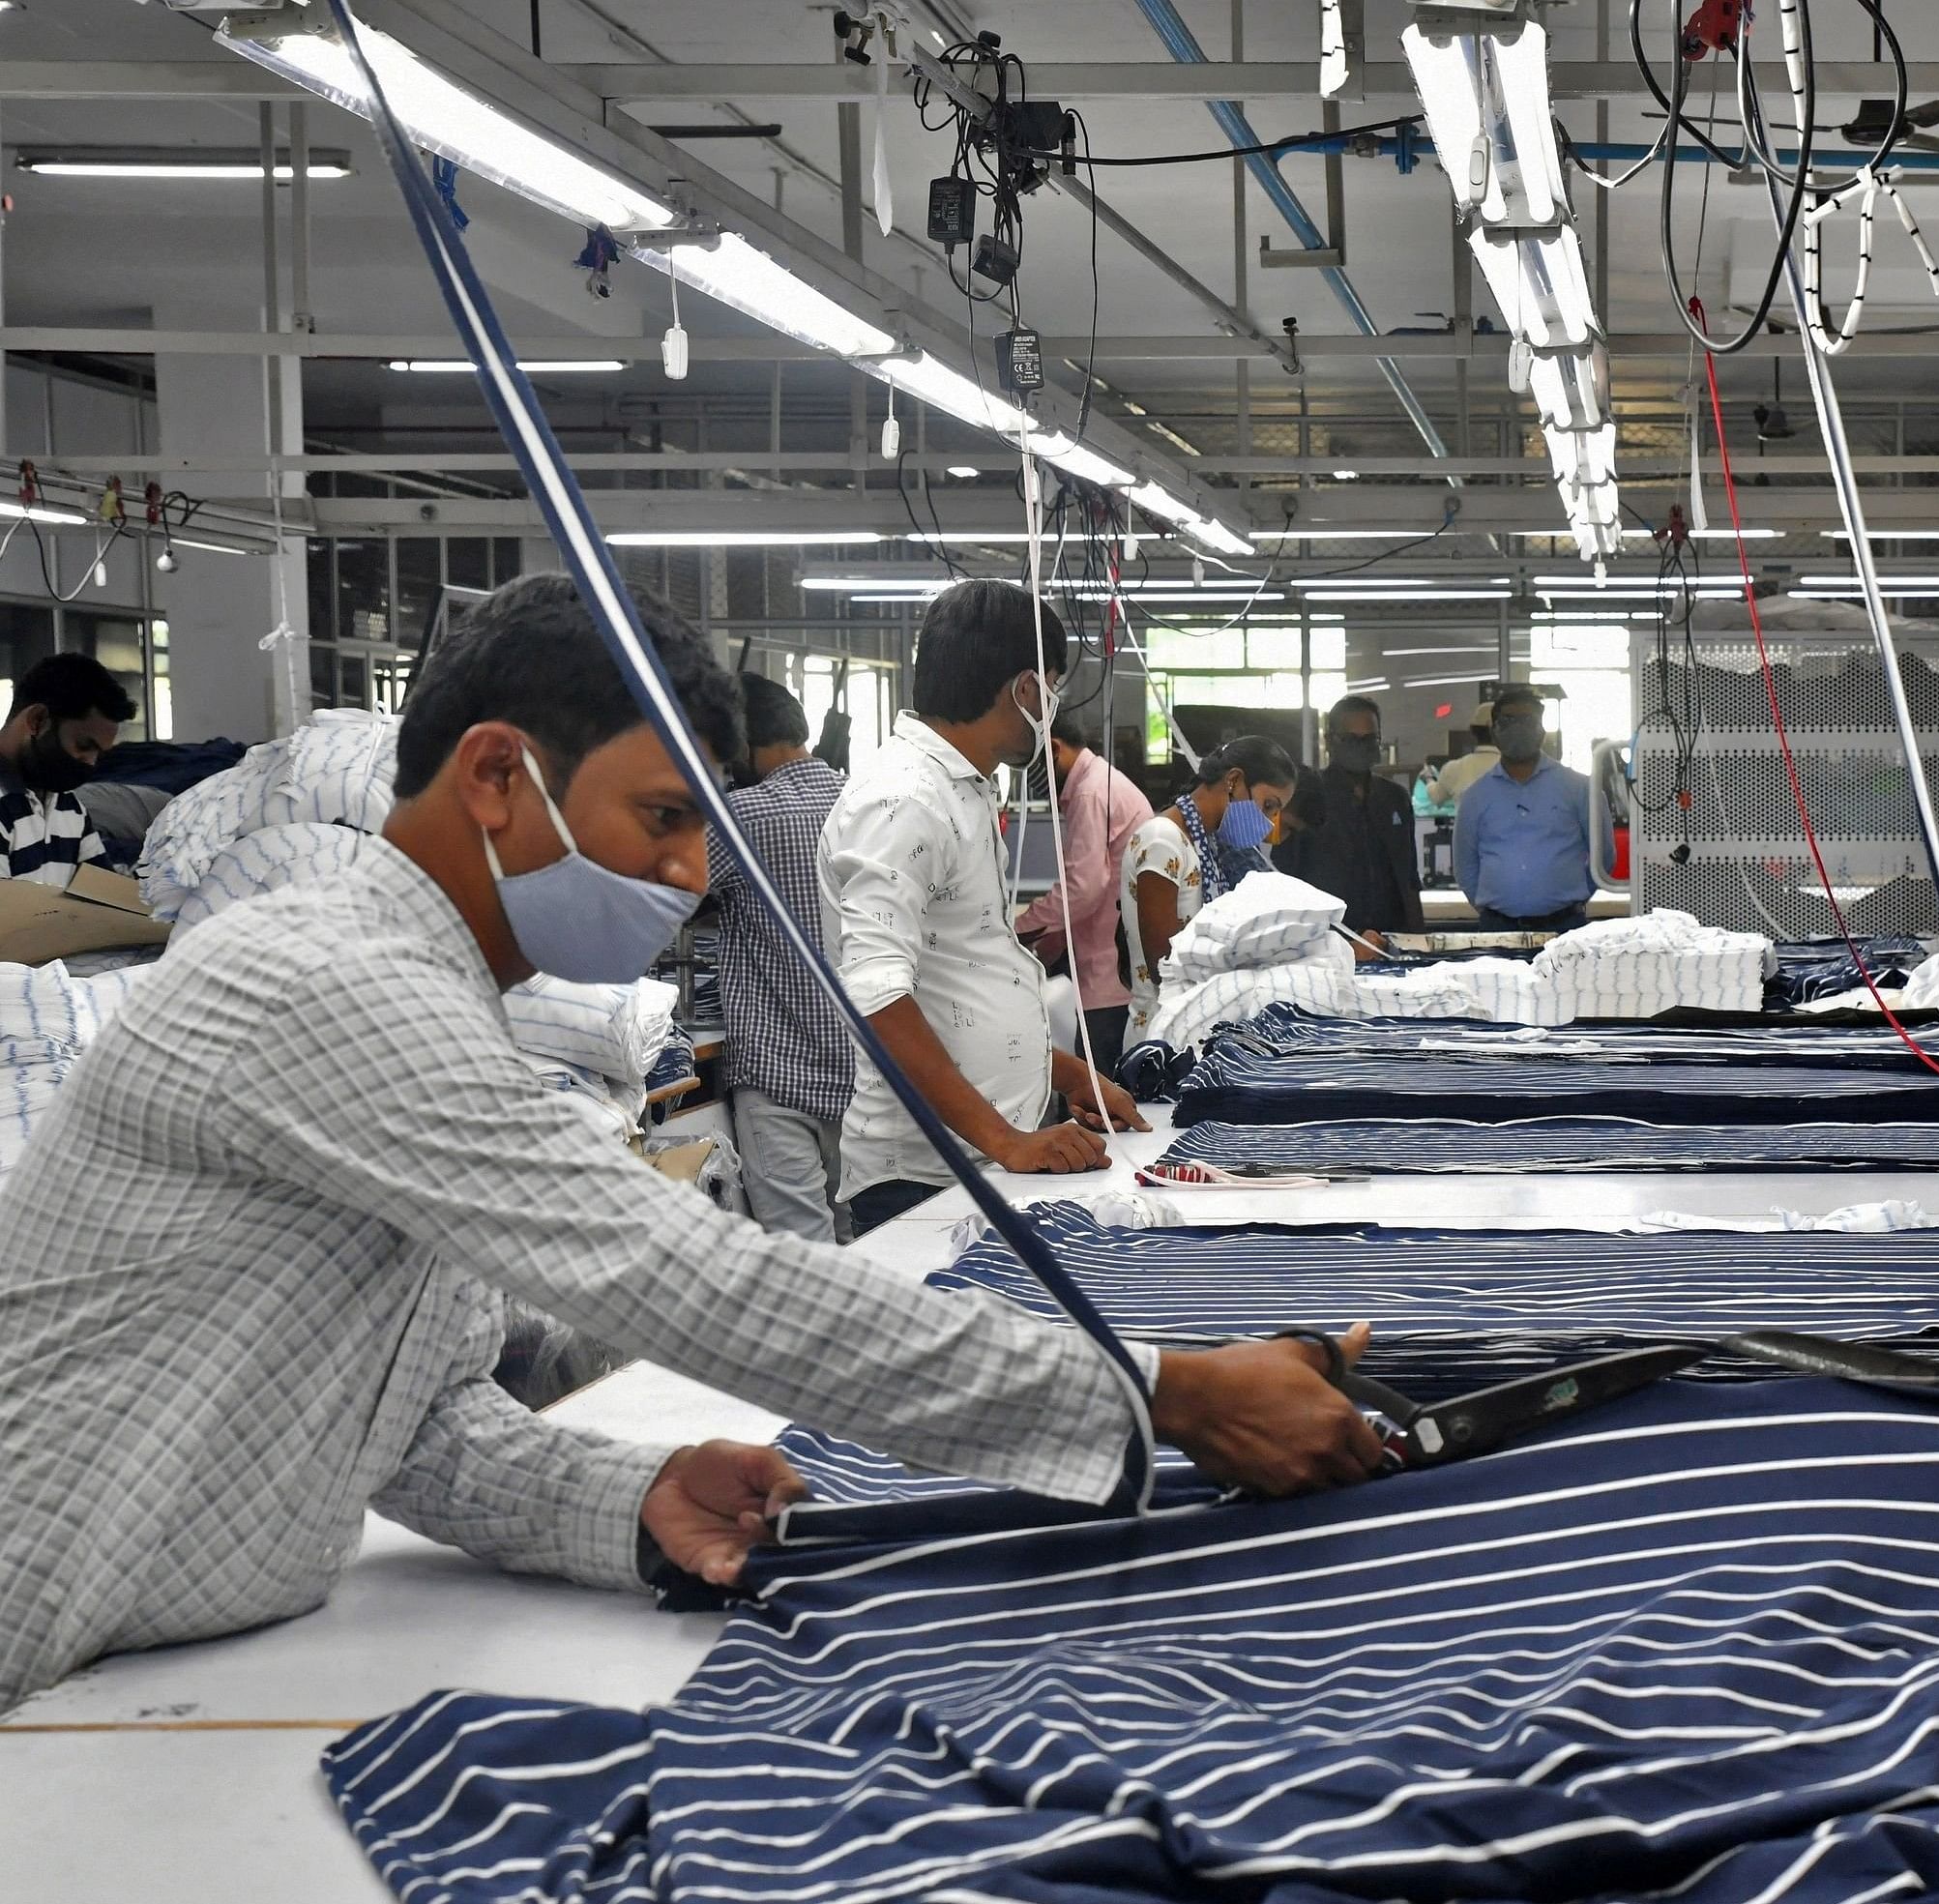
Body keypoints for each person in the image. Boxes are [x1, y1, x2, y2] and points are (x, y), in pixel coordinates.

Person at [0, 573, 1382, 1712]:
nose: (692, 874)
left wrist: (625, 1499)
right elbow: (682, 1273)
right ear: (497, 777)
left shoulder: (444, 1019)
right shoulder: (321, 979)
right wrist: (1163, 1399)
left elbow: (407, 1422)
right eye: (662, 819)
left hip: (147, 1695)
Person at [822, 581, 1141, 1237]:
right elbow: (876, 993)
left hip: (978, 1159)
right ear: (1025, 690)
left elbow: (964, 970)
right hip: (927, 1176)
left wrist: (1067, 1073)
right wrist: (1007, 1141)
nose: (1051, 706)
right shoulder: (903, 797)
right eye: (1050, 687)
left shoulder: (960, 789)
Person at [705, 676, 857, 1240]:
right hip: (867, 1080)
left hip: (778, 1078)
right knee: (869, 1252)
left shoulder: (740, 816)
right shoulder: (866, 801)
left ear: (741, 746)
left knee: (803, 1264)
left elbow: (661, 898)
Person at [1014, 710, 1157, 1075]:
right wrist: (1047, 943)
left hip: (1107, 976)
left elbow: (1083, 889)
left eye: (1029, 763)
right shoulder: (1097, 782)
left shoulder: (1091, 793)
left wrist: (1018, 928)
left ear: (1054, 749)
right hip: (1112, 967)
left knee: (1100, 1091)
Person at [1125, 737, 1298, 1029]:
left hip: (1197, 1022)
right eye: (1268, 806)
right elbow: (1162, 966)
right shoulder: (1162, 839)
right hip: (1163, 1033)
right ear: (1234, 780)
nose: (1268, 823)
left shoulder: (1206, 844)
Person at [1276, 693, 1424, 935]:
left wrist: (1418, 938)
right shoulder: (1307, 795)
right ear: (1330, 740)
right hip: (1327, 936)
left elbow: (1408, 877)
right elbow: (1285, 874)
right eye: (1350, 739)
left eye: (1369, 739)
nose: (1360, 747)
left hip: (1391, 935)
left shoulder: (1394, 797)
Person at [1453, 684, 1594, 930]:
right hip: (1497, 929)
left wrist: (1574, 898)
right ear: (1493, 731)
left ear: (1542, 731)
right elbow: (1465, 866)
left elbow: (1604, 858)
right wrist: (1499, 910)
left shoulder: (1579, 788)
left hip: (1565, 926)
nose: (1518, 729)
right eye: (1507, 721)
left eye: (1527, 721)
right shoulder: (1475, 796)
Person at [0, 652, 132, 885]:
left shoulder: (69, 807)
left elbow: (105, 899)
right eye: (84, 745)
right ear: (38, 720)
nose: (90, 762)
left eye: (98, 753)